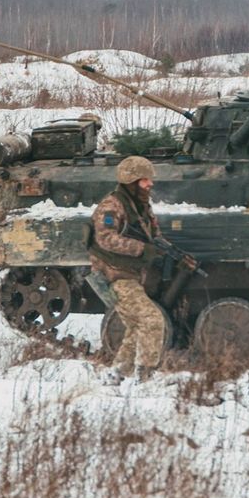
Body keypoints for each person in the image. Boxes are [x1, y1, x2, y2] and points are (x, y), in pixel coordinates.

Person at [87, 155, 169, 381]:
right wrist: (141, 249)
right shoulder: (112, 206)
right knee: (152, 320)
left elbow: (155, 236)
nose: (150, 183)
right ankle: (145, 374)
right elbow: (105, 239)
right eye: (145, 180)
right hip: (114, 275)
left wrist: (168, 252)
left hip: (131, 275)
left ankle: (117, 374)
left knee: (135, 326)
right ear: (131, 182)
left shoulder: (141, 207)